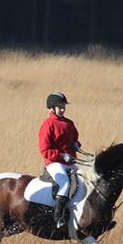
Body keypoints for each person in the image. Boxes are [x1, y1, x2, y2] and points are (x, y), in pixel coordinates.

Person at [38, 91, 81, 228]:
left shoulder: (69, 123)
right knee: (65, 184)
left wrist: (76, 144)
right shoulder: (48, 124)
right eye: (60, 107)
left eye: (64, 107)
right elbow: (44, 150)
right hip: (55, 163)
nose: (63, 109)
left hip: (70, 162)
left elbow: (74, 138)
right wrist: (61, 155)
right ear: (52, 108)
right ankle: (58, 218)